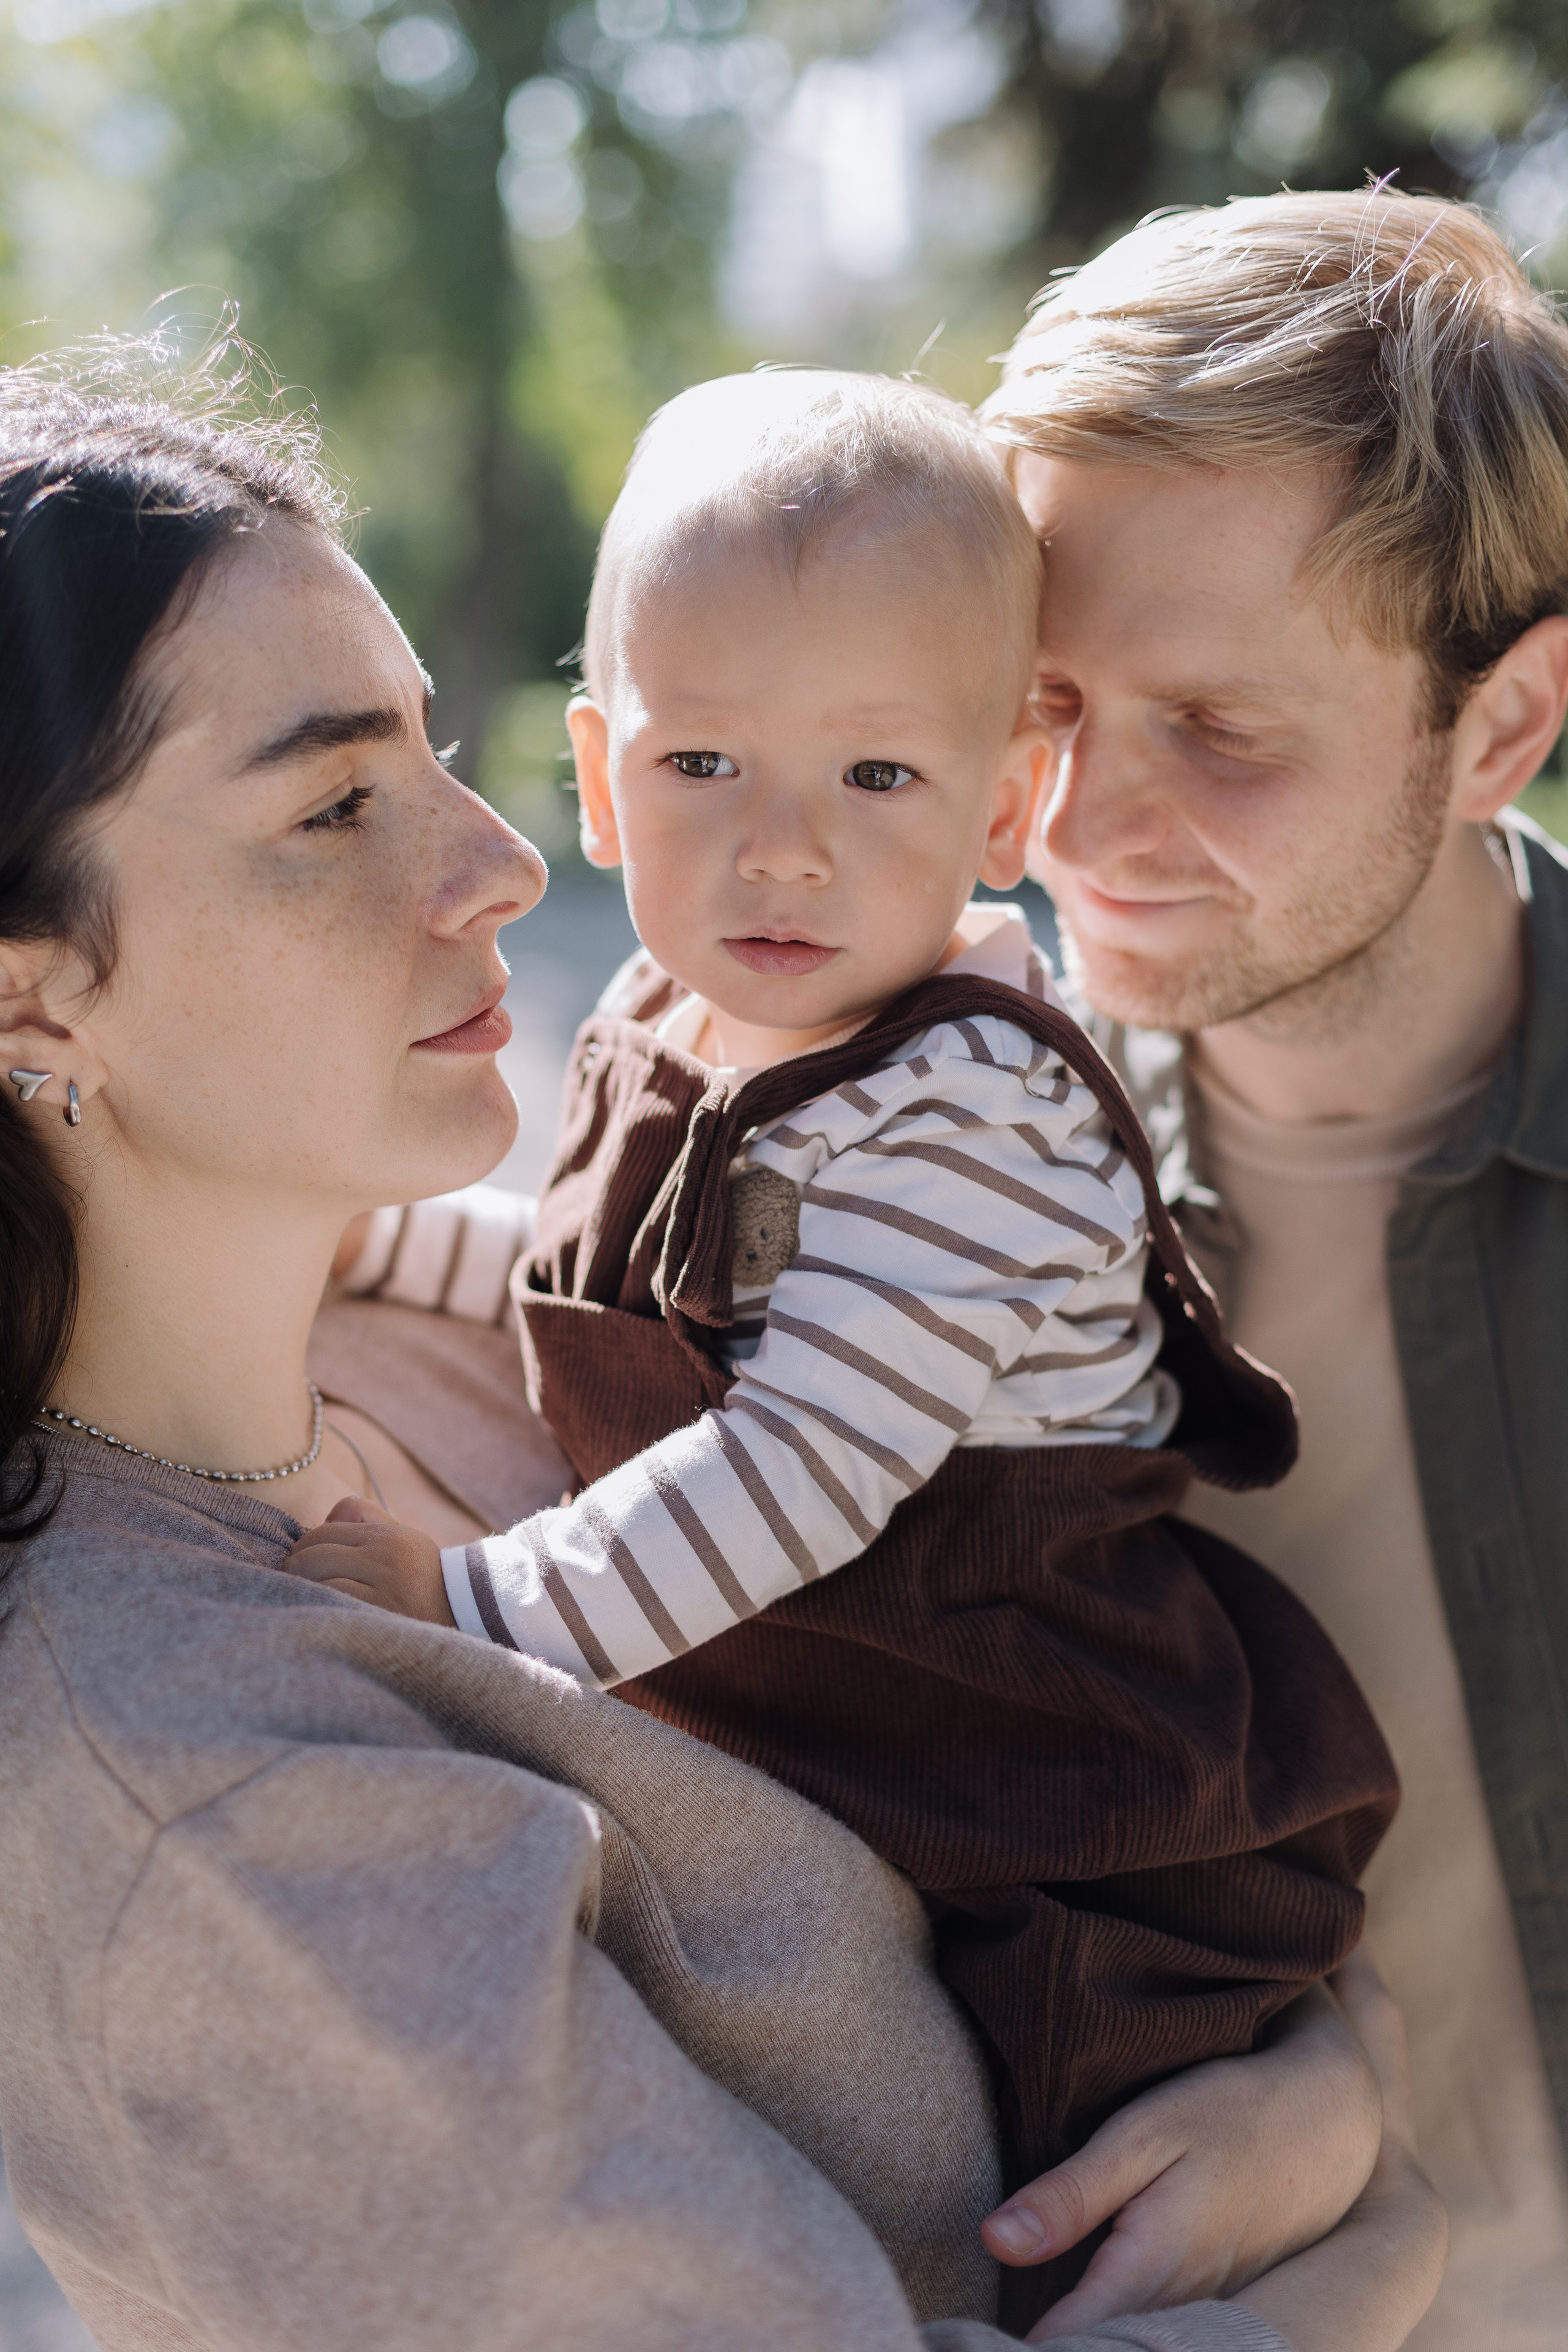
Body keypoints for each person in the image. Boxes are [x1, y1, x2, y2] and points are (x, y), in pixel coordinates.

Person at [0, 339, 1443, 2351]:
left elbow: (684, 1374)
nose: (506, 860)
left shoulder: (387, 1373)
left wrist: (1322, 2077)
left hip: (1073, 1786)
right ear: (35, 998)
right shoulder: (203, 1794)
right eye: (334, 803)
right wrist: (1353, 2277)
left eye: (436, 752)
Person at [978, 187, 1568, 2349]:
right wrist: (1314, 2058)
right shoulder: (964, 1195)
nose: (1073, 825)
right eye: (1042, 702)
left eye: (1221, 729)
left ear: (1501, 727)